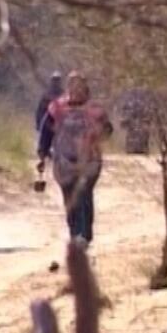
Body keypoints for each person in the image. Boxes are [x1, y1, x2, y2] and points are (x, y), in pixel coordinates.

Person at [36, 71, 113, 246]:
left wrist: (97, 135)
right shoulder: (56, 108)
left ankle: (84, 234)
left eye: (80, 85)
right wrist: (42, 153)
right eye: (73, 84)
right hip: (63, 161)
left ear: (86, 87)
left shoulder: (95, 109)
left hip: (90, 160)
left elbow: (108, 130)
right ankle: (74, 233)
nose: (76, 89)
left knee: (84, 193)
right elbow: (45, 132)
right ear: (68, 87)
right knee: (69, 196)